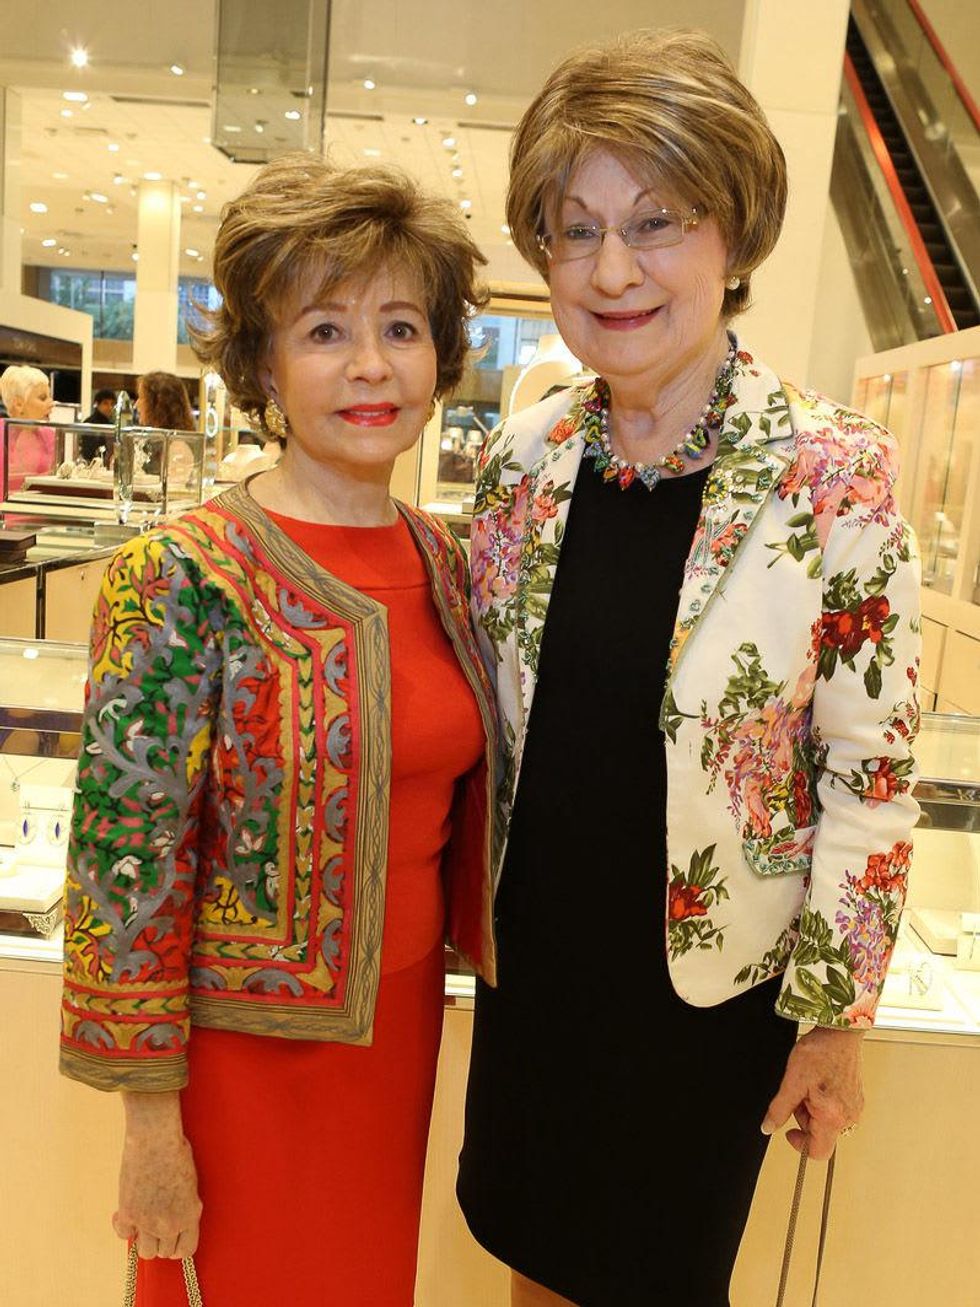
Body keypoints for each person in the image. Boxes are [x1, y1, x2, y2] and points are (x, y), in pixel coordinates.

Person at [457, 29, 921, 1307]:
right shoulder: (526, 457)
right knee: (528, 1261)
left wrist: (833, 1019)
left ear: (734, 237)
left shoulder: (835, 472)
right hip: (535, 971)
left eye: (655, 222)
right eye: (573, 229)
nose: (612, 269)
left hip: (704, 997)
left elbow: (871, 775)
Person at [60, 153, 497, 1307]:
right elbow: (123, 871)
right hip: (241, 1066)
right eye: (323, 331)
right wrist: (152, 1129)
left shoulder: (445, 561)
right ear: (261, 360)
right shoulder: (182, 574)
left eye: (400, 327)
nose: (370, 365)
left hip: (396, 1033)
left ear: (440, 356)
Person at [0, 364, 56, 494]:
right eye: (43, 398)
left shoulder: (50, 436)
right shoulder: (2, 434)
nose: (51, 403)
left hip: (42, 511)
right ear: (19, 404)